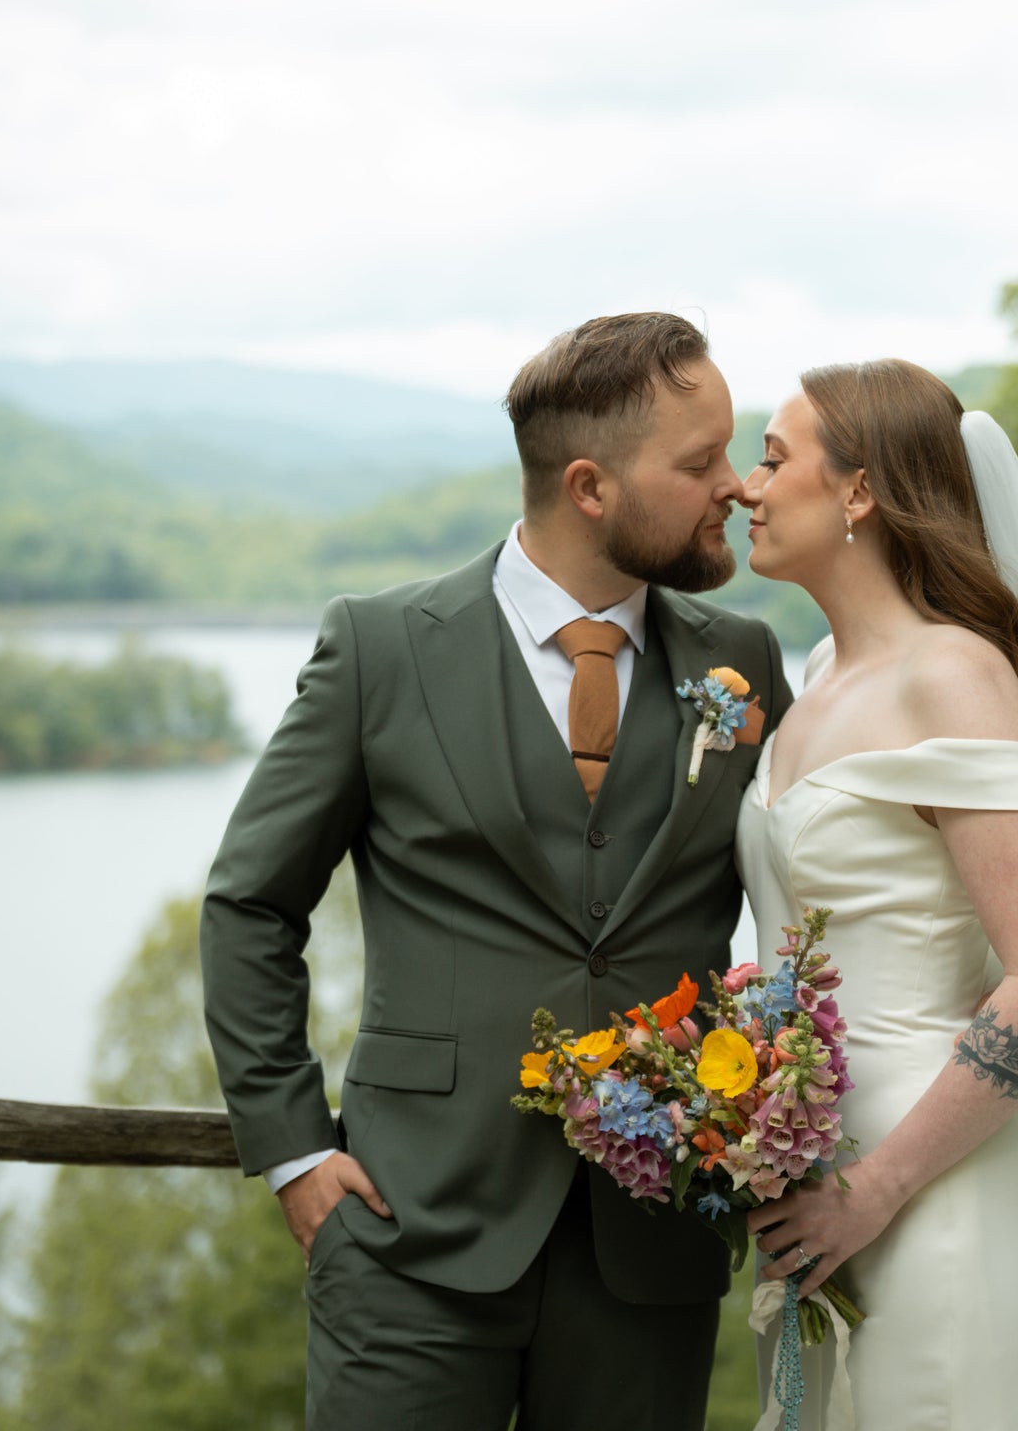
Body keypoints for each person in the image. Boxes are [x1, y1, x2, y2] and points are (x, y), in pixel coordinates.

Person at [200, 312, 793, 1431]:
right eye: (697, 461)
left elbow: (801, 902)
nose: (734, 485)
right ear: (588, 487)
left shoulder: (742, 658)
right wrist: (293, 1155)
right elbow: (250, 903)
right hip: (406, 1227)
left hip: (650, 1239)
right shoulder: (379, 650)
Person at [735, 359, 1018, 1430]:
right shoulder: (816, 681)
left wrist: (874, 1192)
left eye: (772, 459)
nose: (745, 488)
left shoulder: (948, 674)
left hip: (931, 1188)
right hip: (813, 1192)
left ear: (858, 491)